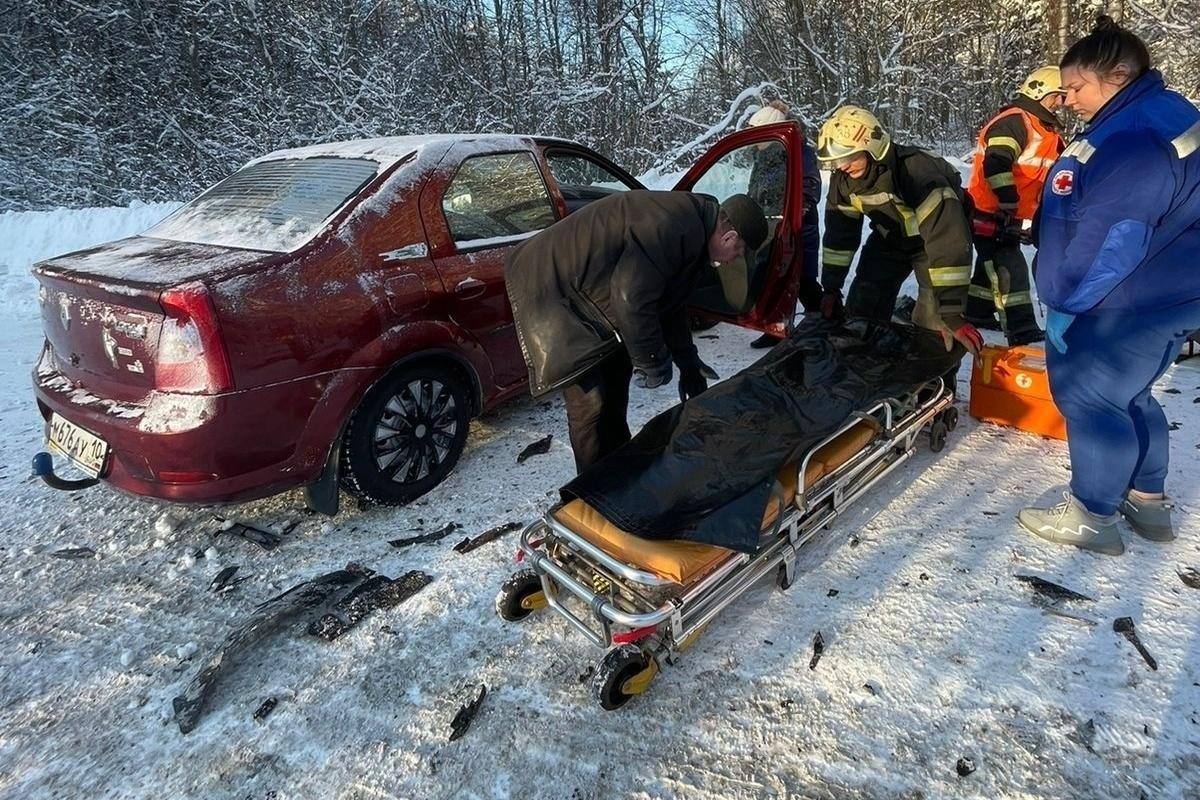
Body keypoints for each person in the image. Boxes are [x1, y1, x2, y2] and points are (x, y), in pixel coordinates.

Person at [1017, 16, 1200, 555]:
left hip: (1121, 300)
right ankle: (1146, 501)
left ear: (1118, 76)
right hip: (1164, 292)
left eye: (1076, 87)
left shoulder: (1138, 138)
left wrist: (1067, 301)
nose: (1067, 97)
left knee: (1093, 399)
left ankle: (1091, 514)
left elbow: (1114, 235)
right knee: (1131, 395)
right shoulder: (1160, 115)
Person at [505, 190, 768, 471]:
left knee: (617, 387)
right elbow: (631, 297)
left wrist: (686, 360)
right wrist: (652, 361)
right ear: (729, 238)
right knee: (591, 407)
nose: (730, 262)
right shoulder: (675, 225)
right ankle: (590, 496)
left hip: (590, 293)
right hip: (552, 292)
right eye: (737, 254)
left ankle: (618, 474)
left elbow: (670, 301)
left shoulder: (696, 227)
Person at [815, 105, 983, 356]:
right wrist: (831, 287)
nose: (842, 166)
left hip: (931, 244)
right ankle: (863, 368)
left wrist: (951, 311)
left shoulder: (917, 172)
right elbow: (840, 236)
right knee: (862, 307)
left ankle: (937, 384)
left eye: (847, 157)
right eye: (836, 161)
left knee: (934, 321)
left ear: (871, 146)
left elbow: (948, 241)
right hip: (889, 240)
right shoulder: (843, 181)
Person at [964, 66, 1067, 345]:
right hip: (989, 210)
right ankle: (1021, 328)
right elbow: (996, 160)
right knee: (1009, 266)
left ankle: (977, 312)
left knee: (992, 264)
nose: (1061, 103)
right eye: (1057, 96)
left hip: (1010, 214)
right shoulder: (1015, 122)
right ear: (1040, 92)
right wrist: (1008, 198)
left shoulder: (1045, 130)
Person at [744, 100, 823, 348]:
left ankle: (825, 320)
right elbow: (755, 188)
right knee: (774, 279)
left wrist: (795, 214)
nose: (753, 141)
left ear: (770, 131)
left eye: (756, 134)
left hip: (796, 226)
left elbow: (810, 185)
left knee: (803, 280)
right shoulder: (763, 157)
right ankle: (775, 329)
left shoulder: (798, 152)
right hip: (769, 226)